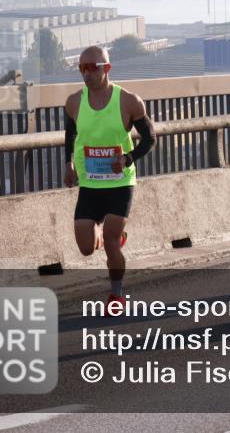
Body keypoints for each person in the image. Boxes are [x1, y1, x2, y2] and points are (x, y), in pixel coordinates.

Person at [64, 46, 156, 313]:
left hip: (120, 183)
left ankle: (116, 296)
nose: (87, 73)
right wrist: (68, 164)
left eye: (93, 67)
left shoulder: (129, 101)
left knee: (112, 241)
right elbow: (69, 136)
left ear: (107, 68)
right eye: (82, 68)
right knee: (85, 248)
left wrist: (127, 158)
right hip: (90, 184)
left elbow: (150, 138)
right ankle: (106, 235)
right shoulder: (74, 102)